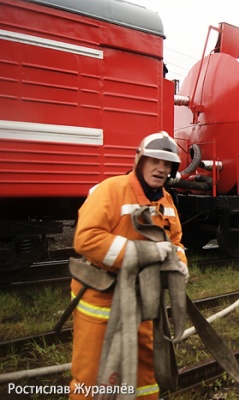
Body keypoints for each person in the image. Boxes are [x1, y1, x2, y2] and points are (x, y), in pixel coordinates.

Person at [69, 132, 188, 400]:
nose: (161, 169)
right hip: (101, 301)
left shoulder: (165, 201)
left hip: (143, 301)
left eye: (167, 164)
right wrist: (144, 253)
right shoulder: (111, 190)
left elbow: (176, 241)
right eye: (155, 161)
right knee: (94, 375)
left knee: (144, 372)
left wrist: (179, 263)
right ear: (139, 160)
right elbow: (86, 239)